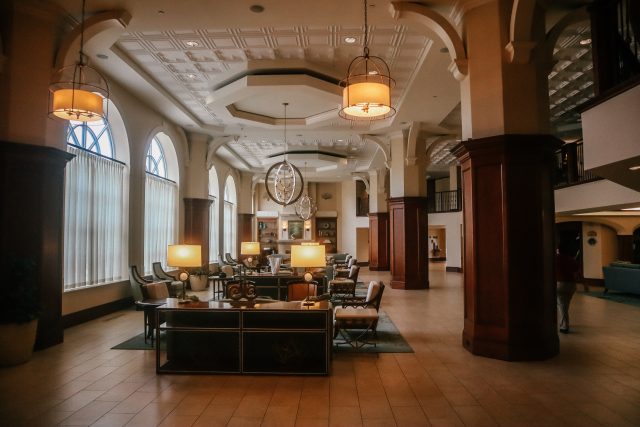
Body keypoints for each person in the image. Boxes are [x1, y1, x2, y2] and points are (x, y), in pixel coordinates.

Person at [556, 241, 580, 333]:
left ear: (559, 250)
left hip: (560, 284)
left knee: (562, 305)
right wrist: (585, 284)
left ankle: (564, 326)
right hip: (571, 285)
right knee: (565, 304)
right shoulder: (571, 259)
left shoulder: (556, 258)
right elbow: (578, 272)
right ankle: (564, 321)